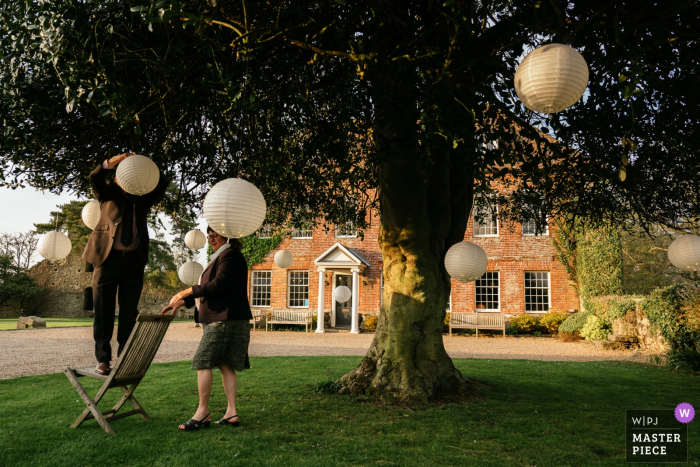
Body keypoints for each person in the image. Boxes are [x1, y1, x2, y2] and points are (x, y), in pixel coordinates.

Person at [82, 152, 169, 375]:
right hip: (106, 261)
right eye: (126, 173)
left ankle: (124, 356)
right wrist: (112, 162)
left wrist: (147, 168)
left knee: (129, 312)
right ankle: (103, 360)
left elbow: (162, 184)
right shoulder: (107, 193)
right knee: (103, 311)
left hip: (133, 263)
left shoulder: (143, 197)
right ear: (118, 177)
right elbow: (94, 178)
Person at [161, 227, 253, 431]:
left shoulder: (230, 256)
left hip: (223, 321)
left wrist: (186, 291)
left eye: (215, 235)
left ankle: (202, 413)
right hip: (230, 319)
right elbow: (213, 291)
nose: (211, 239)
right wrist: (183, 302)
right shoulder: (224, 256)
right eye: (209, 235)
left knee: (203, 362)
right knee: (225, 364)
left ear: (228, 235)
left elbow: (218, 285)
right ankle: (231, 413)